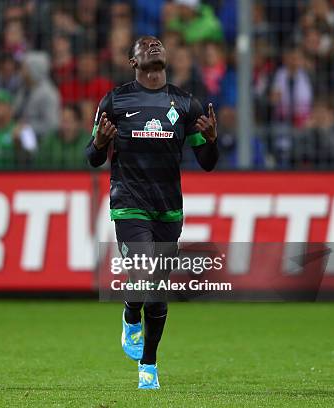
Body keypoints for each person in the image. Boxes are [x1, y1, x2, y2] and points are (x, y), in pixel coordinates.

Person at [85, 36, 218, 389]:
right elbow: (92, 157)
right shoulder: (114, 101)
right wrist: (99, 143)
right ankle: (132, 320)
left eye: (158, 43)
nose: (153, 45)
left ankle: (150, 362)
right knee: (143, 271)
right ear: (133, 61)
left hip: (169, 207)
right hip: (129, 200)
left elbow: (206, 164)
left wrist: (212, 141)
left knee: (158, 289)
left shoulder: (185, 103)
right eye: (145, 44)